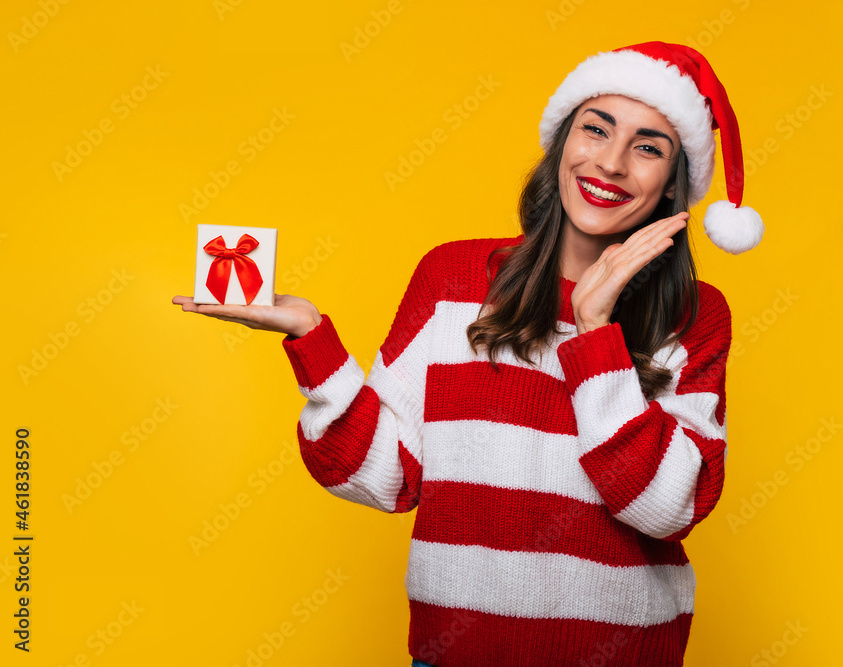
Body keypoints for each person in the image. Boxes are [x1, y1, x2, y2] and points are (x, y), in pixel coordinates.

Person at [173, 41, 763, 667]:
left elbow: (667, 508)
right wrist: (311, 339)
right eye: (596, 129)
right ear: (563, 143)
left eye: (648, 147)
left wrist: (594, 334)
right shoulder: (452, 279)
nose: (612, 163)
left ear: (674, 184)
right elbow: (384, 476)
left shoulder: (696, 318)